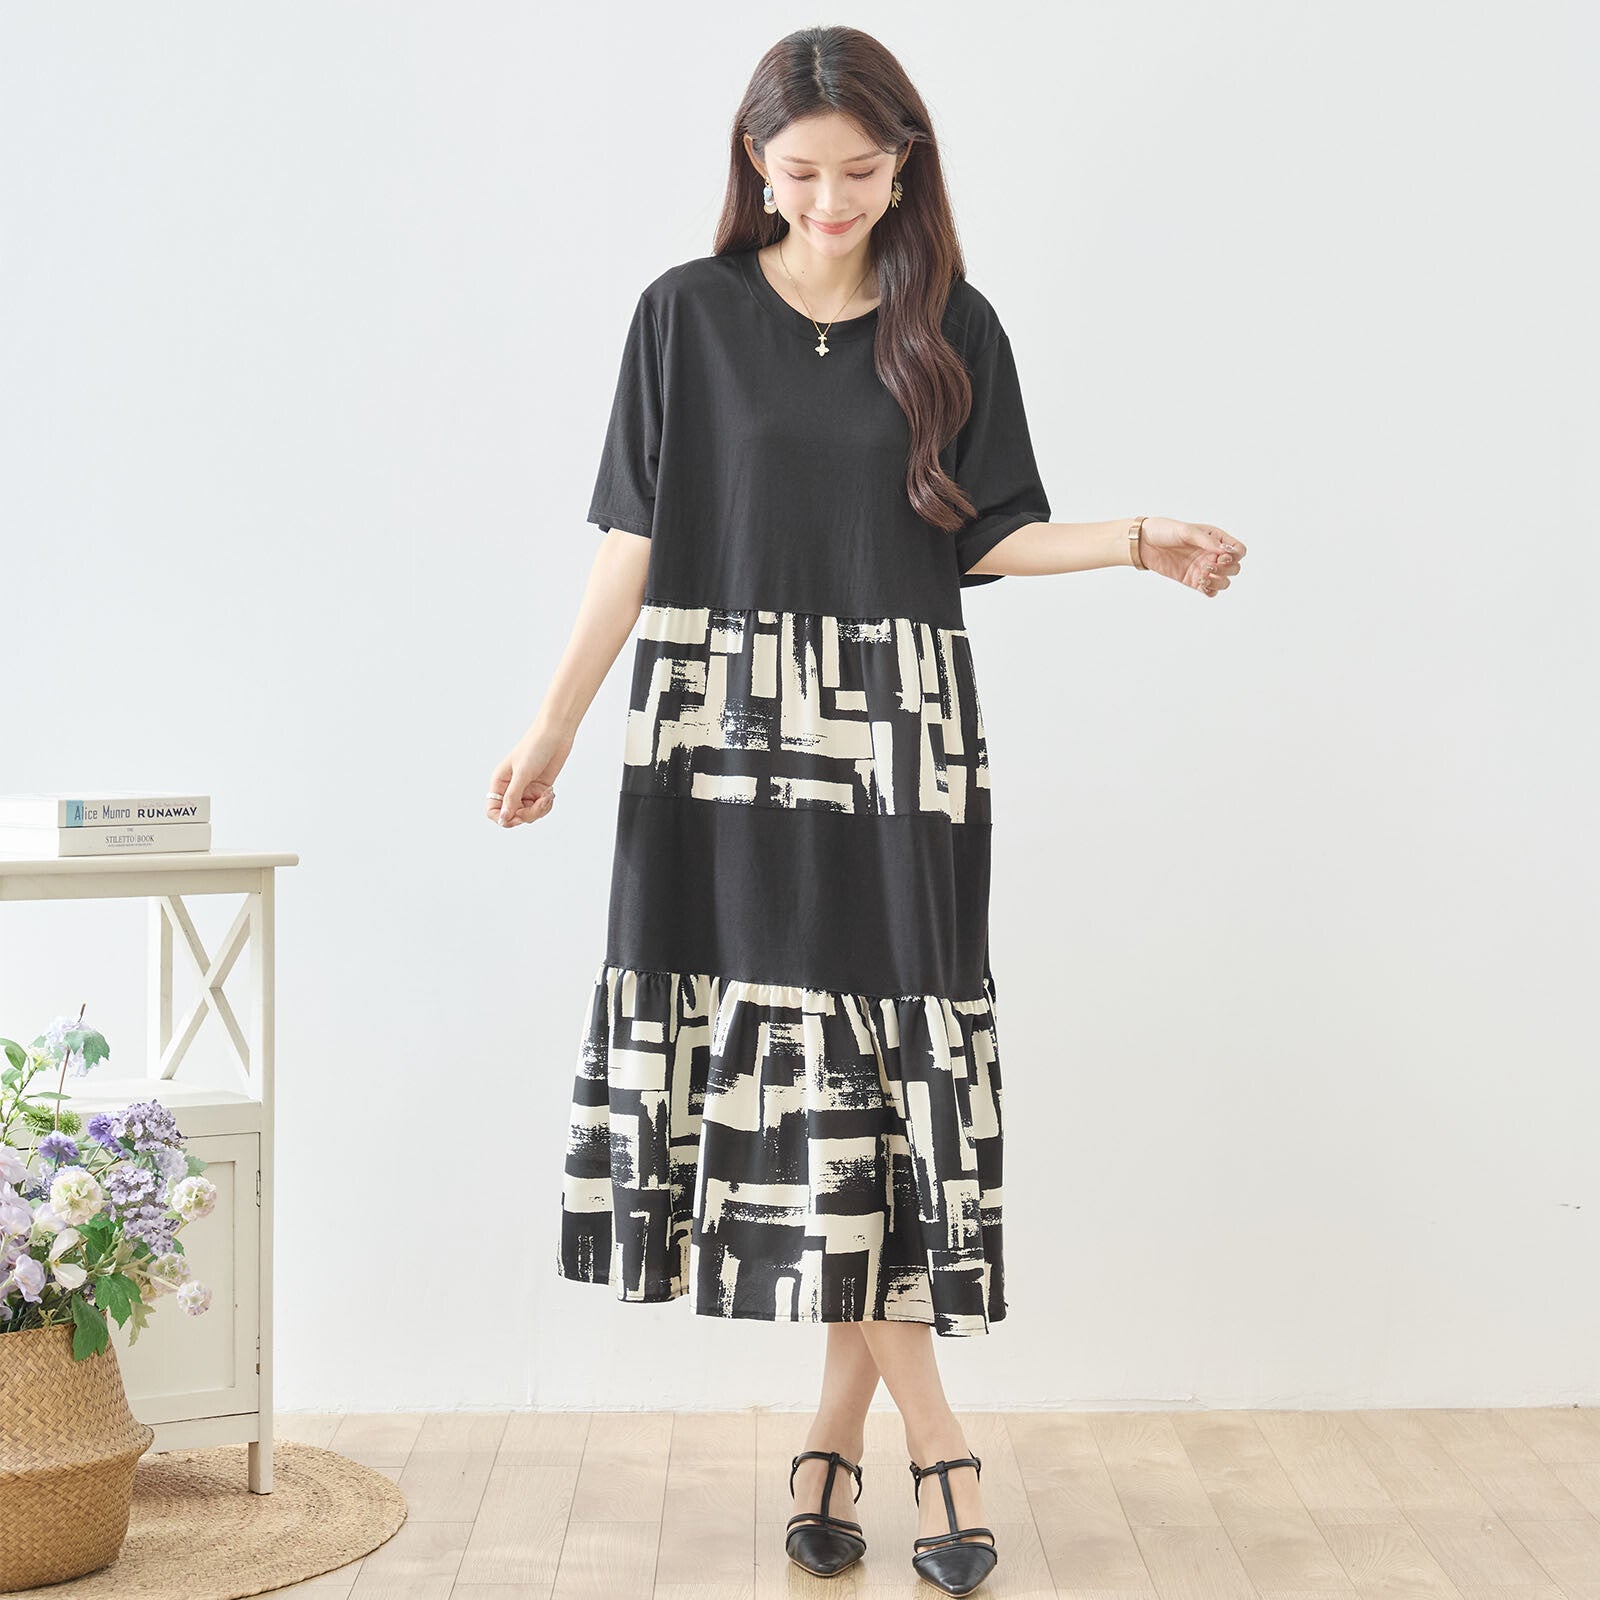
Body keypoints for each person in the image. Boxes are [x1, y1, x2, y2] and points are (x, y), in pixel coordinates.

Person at [487, 25, 1245, 1597]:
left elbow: (981, 537)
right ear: (754, 166)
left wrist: (1129, 539)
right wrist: (552, 723)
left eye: (857, 172)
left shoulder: (952, 324)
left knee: (877, 1075)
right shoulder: (684, 316)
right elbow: (635, 537)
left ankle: (840, 1434)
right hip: (718, 724)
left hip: (903, 733)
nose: (827, 201)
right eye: (799, 173)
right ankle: (929, 1442)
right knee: (806, 1068)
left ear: (906, 167)